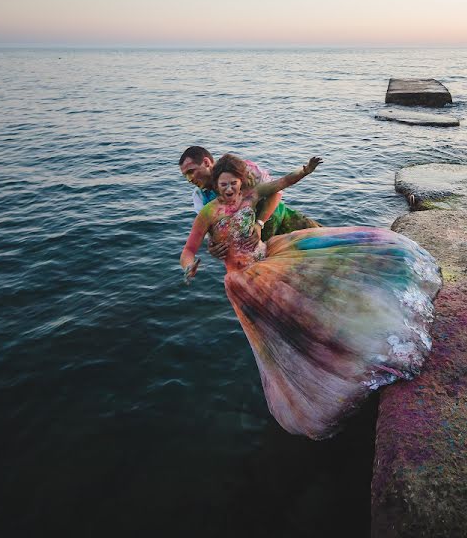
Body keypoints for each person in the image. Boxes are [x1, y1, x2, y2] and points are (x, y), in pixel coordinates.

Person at [180, 154, 441, 440]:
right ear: (217, 187)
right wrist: (190, 264)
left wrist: (305, 170)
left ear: (238, 182)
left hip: (269, 255)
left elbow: (282, 183)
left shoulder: (250, 194)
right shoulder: (207, 209)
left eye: (232, 184)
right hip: (244, 278)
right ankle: (329, 365)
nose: (228, 189)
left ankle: (360, 330)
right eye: (223, 186)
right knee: (286, 324)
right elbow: (191, 247)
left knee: (323, 278)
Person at [178, 146, 320, 258]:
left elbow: (278, 188)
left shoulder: (242, 169)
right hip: (258, 246)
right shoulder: (201, 198)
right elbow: (208, 230)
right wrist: (212, 245)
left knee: (322, 248)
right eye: (185, 176)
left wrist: (259, 224)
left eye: (191, 172)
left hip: (283, 221)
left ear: (206, 162)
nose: (189, 179)